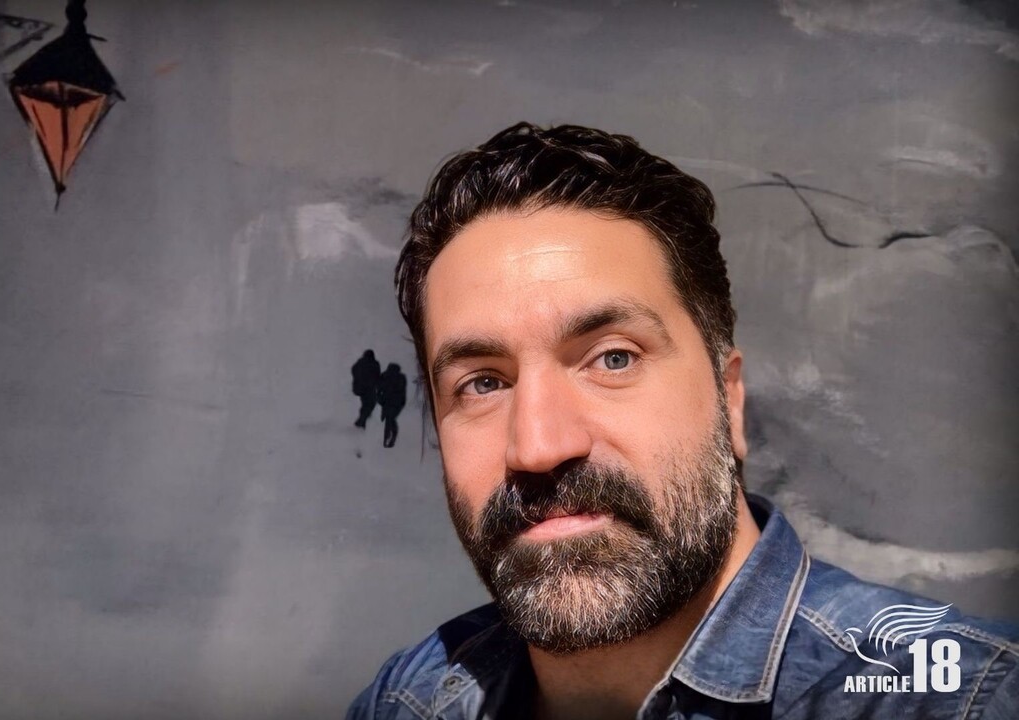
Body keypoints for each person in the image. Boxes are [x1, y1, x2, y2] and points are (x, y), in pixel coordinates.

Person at [347, 123, 1018, 719]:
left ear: (730, 399)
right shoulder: (408, 701)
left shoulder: (962, 699)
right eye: (484, 383)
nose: (540, 445)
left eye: (613, 358)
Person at [376, 363, 407, 448]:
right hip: (397, 403)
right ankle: (390, 437)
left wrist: (381, 400)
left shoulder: (385, 376)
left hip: (388, 402)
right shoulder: (401, 377)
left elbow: (378, 390)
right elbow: (403, 392)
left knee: (389, 419)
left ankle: (388, 438)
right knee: (390, 419)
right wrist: (402, 402)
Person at [352, 349, 383, 428]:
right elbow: (378, 376)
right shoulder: (374, 363)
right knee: (370, 404)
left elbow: (353, 370)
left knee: (366, 404)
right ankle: (361, 421)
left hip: (360, 388)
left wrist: (358, 380)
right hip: (370, 388)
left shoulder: (360, 362)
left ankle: (362, 421)